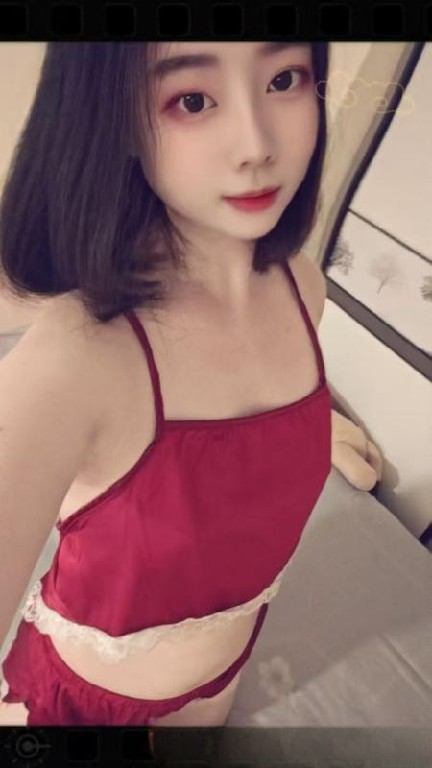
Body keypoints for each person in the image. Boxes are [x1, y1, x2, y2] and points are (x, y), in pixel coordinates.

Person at [0, 40, 331, 727]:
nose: (257, 146)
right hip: (87, 706)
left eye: (284, 80)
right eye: (193, 99)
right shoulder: (75, 359)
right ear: (116, 118)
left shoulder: (306, 289)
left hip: (222, 680)